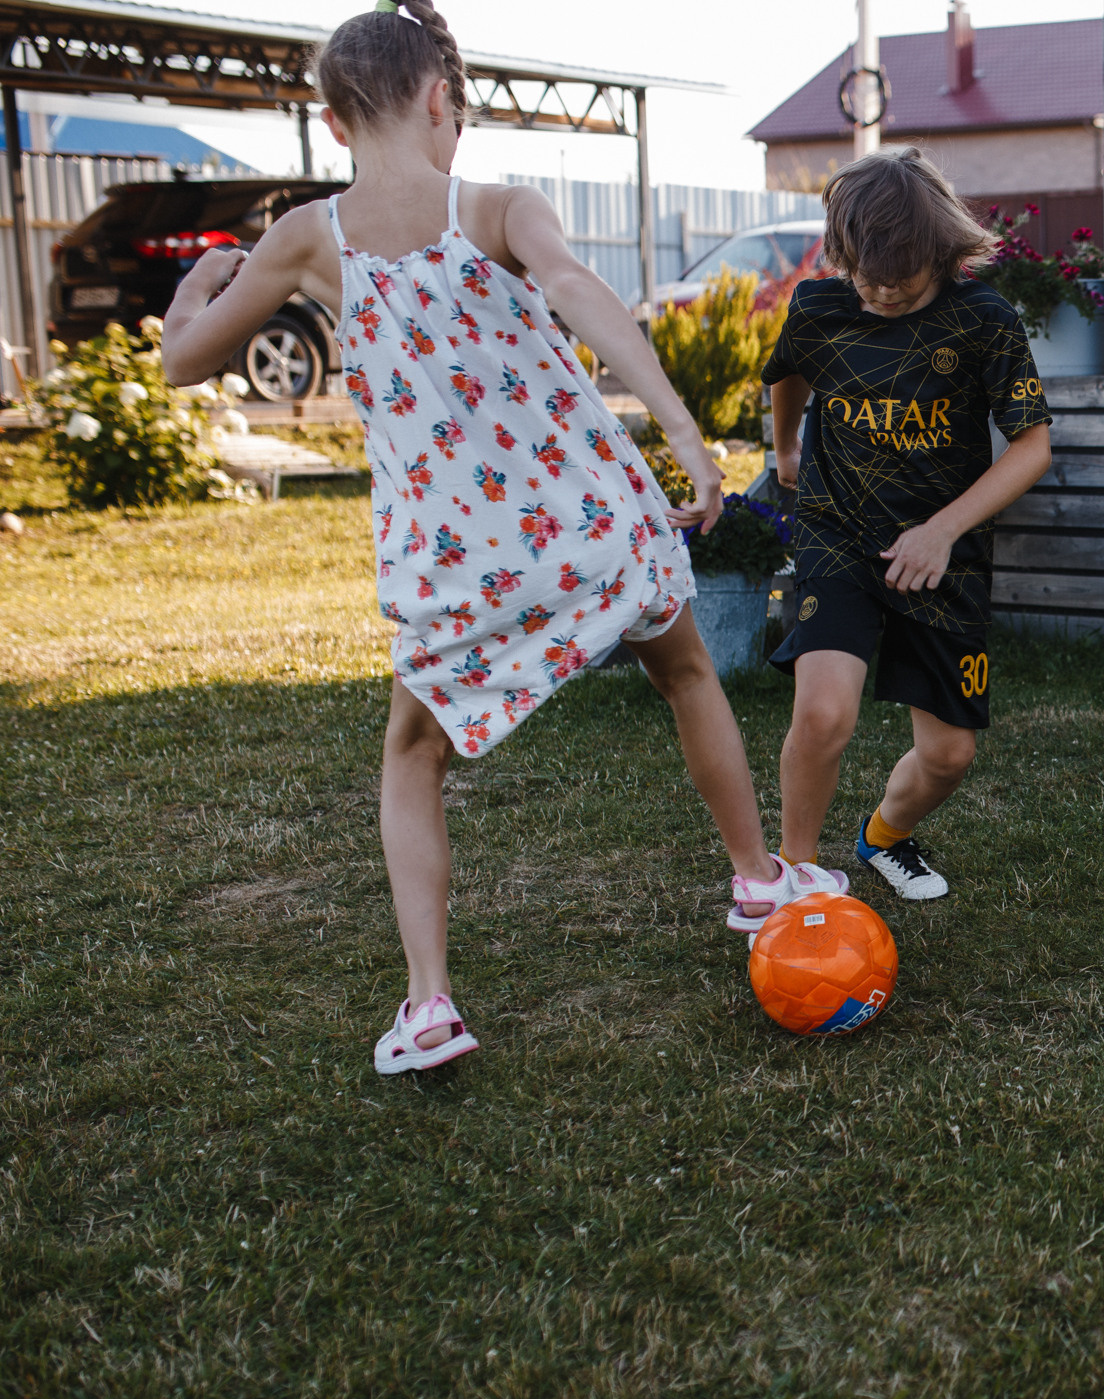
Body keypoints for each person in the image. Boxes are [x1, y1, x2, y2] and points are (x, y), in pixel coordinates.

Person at [160, 0, 831, 1076]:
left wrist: (197, 286)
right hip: (591, 526)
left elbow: (185, 361)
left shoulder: (304, 239)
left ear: (334, 123)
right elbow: (578, 293)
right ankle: (757, 877)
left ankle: (429, 1006)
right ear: (440, 101)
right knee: (688, 672)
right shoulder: (503, 206)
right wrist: (679, 431)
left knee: (413, 755)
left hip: (459, 562)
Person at [762, 147, 1054, 902]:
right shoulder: (818, 309)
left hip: (939, 549)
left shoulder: (983, 320)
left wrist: (942, 531)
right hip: (836, 531)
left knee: (951, 754)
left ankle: (884, 835)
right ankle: (793, 880)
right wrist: (785, 446)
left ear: (940, 254)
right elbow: (791, 370)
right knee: (824, 712)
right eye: (867, 279)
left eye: (902, 282)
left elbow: (1032, 447)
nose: (882, 295)